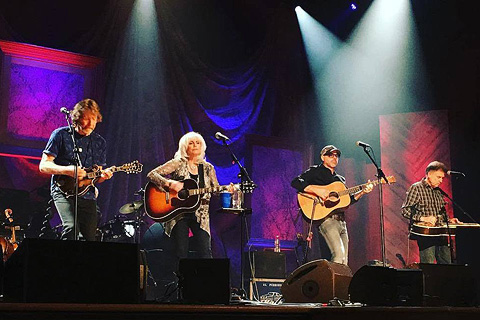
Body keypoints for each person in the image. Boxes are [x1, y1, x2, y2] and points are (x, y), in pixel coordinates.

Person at [39, 99, 113, 241]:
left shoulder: (99, 142)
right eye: (86, 119)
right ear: (77, 118)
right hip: (62, 190)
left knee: (90, 237)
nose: (91, 124)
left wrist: (103, 176)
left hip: (87, 195)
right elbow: (43, 166)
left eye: (94, 119)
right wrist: (68, 170)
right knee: (71, 228)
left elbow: (96, 177)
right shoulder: (60, 134)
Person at [147, 131, 221, 264]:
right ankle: (180, 282)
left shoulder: (208, 168)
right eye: (191, 143)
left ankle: (207, 282)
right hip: (178, 213)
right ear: (184, 147)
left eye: (198, 143)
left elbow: (216, 190)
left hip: (200, 215)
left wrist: (228, 190)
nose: (195, 146)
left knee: (205, 252)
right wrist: (169, 183)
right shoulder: (178, 163)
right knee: (181, 252)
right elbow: (152, 174)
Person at [291, 145, 373, 265]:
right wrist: (316, 190)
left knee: (344, 260)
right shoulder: (315, 171)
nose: (334, 158)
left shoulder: (340, 179)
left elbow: (347, 200)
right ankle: (332, 283)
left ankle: (341, 283)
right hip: (326, 220)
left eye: (336, 156)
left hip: (341, 222)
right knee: (338, 255)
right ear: (323, 157)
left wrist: (362, 192)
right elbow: (296, 182)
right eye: (330, 155)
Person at [401, 161, 461, 264]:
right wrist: (423, 218)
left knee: (447, 265)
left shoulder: (438, 191)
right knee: (428, 266)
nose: (441, 180)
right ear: (429, 174)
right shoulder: (417, 188)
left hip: (441, 233)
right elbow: (405, 210)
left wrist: (449, 220)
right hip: (426, 234)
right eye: (438, 177)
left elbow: (441, 213)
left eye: (442, 178)